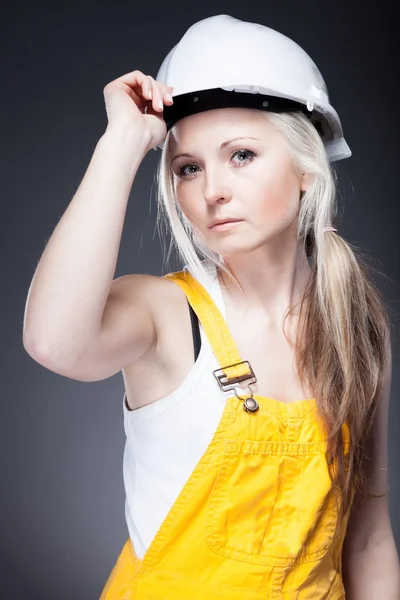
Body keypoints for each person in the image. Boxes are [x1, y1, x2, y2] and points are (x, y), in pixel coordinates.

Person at [23, 14, 399, 599]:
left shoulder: (359, 327)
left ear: (306, 167)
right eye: (188, 167)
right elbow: (53, 341)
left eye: (241, 155)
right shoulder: (165, 315)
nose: (212, 190)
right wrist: (123, 142)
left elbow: (368, 538)